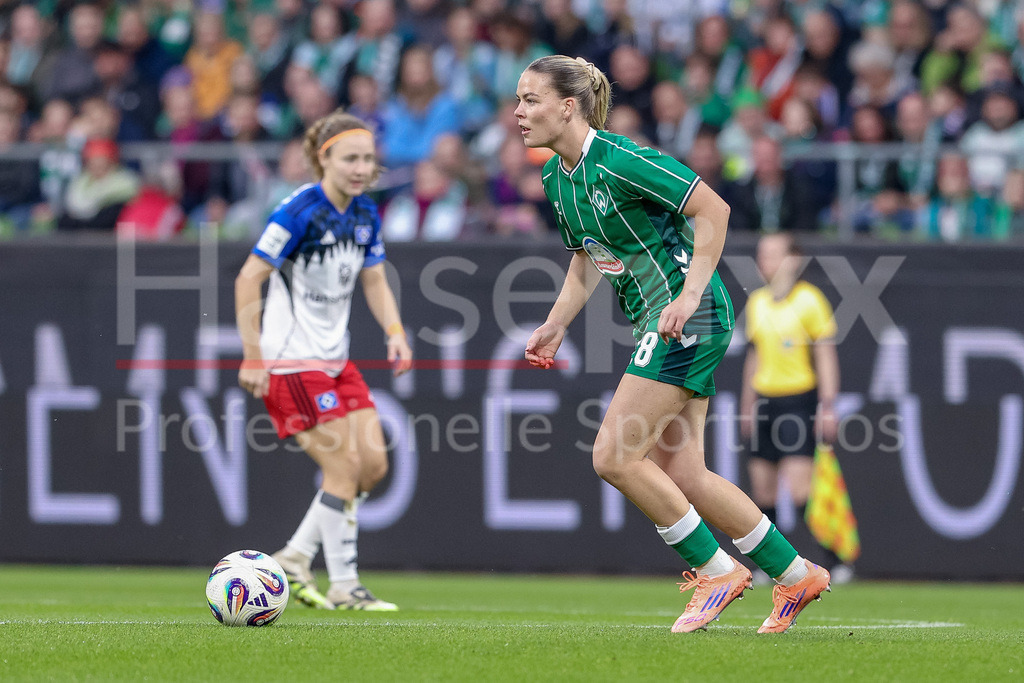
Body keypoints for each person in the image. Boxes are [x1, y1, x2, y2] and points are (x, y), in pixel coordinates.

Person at [518, 55, 831, 634]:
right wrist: (557, 322)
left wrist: (687, 297)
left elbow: (713, 207)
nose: (518, 112)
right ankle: (795, 575)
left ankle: (716, 571)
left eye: (530, 99)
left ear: (568, 107)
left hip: (690, 316)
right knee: (686, 476)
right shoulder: (555, 178)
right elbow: (587, 256)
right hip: (661, 324)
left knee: (613, 455)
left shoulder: (622, 158)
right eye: (518, 100)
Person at [235, 109, 412, 611]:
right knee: (344, 466)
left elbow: (374, 277)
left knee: (372, 467)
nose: (360, 169)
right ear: (323, 158)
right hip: (290, 362)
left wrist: (395, 332)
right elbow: (249, 277)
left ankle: (295, 555)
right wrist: (252, 355)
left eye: (368, 160)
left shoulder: (364, 213)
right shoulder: (296, 211)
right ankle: (345, 584)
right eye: (350, 159)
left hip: (336, 361)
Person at [740, 233, 854, 585]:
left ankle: (835, 561)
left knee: (802, 490)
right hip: (766, 401)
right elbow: (755, 355)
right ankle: (771, 565)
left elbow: (824, 353)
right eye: (763, 255)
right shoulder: (757, 302)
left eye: (774, 254)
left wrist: (828, 405)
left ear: (794, 260)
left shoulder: (809, 301)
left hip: (798, 398)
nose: (766, 262)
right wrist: (747, 404)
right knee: (763, 491)